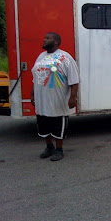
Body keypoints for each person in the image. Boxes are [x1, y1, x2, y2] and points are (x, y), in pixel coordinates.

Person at [31, 32, 79, 161]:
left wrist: (73, 97)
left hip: (58, 100)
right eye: (44, 37)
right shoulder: (41, 57)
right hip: (42, 100)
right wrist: (33, 93)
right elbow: (36, 77)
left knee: (58, 125)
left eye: (48, 38)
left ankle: (59, 150)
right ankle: (49, 147)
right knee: (43, 124)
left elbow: (74, 80)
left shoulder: (66, 57)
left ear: (56, 41)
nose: (44, 40)